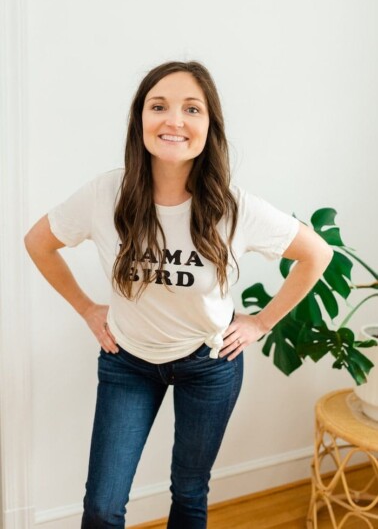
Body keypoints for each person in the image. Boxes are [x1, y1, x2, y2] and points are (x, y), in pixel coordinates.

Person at [24, 60, 333, 529]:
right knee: (103, 508)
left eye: (192, 108)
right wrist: (87, 309)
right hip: (128, 362)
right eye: (158, 106)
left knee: (189, 493)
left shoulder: (234, 207)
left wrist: (260, 322)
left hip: (209, 366)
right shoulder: (106, 194)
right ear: (140, 120)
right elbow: (38, 242)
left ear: (209, 127)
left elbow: (317, 254)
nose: (174, 120)